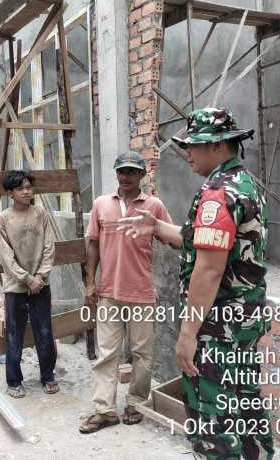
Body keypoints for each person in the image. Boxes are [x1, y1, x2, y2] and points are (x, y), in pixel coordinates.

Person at [118, 108, 274, 459]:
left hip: (216, 328)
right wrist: (157, 228)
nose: (188, 153)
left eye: (194, 145)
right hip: (243, 321)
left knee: (213, 420)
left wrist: (188, 335)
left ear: (218, 145)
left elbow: (209, 269)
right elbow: (201, 240)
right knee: (244, 402)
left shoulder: (218, 193)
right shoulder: (246, 183)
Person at [79, 151, 173, 434]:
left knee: (142, 353)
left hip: (142, 292)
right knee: (107, 353)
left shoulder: (153, 205)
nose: (126, 176)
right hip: (108, 291)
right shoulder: (101, 204)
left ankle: (136, 402)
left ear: (142, 175)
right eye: (122, 171)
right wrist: (90, 283)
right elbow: (93, 244)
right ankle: (105, 410)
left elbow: (171, 236)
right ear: (115, 173)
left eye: (132, 171)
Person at [0, 170, 58, 398]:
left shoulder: (40, 213)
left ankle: (48, 376)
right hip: (16, 287)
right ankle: (14, 381)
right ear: (10, 192)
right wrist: (27, 278)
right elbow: (5, 255)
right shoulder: (3, 218)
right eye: (20, 188)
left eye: (29, 187)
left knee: (44, 331)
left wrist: (40, 276)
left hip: (41, 284)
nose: (26, 192)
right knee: (14, 334)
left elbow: (49, 246)